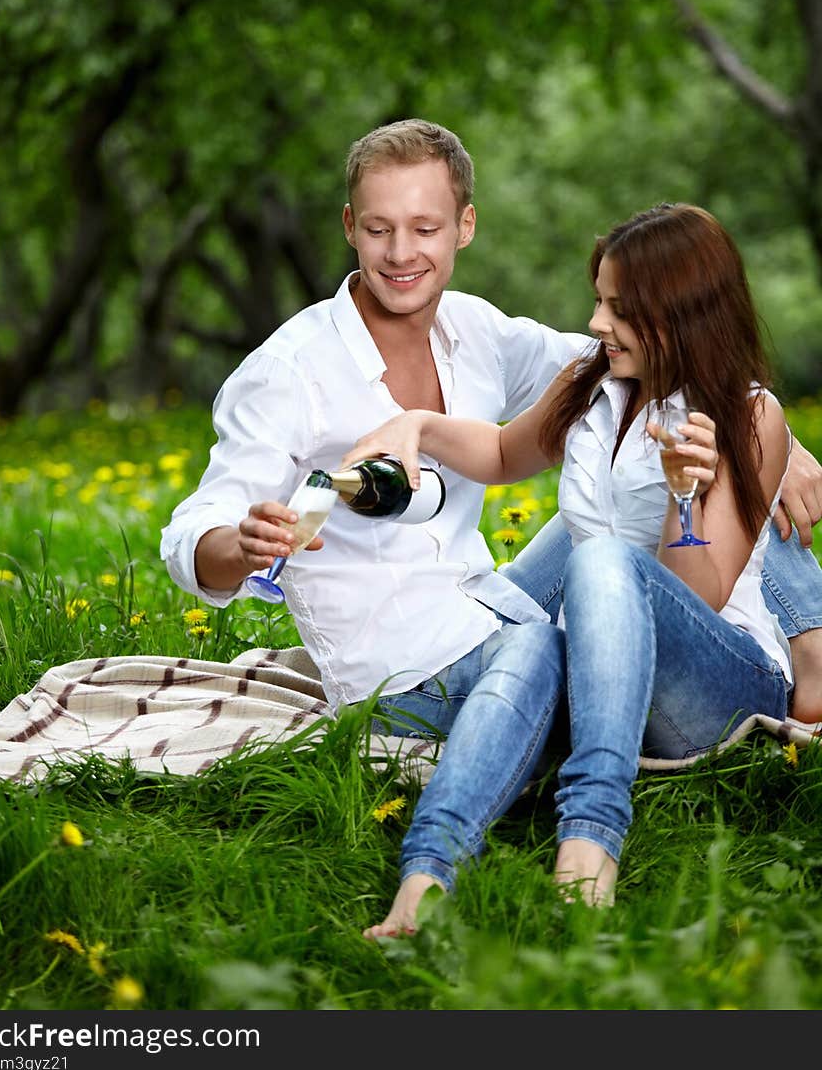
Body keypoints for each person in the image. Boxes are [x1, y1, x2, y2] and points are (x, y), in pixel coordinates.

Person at [159, 120, 822, 930]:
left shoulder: (478, 331)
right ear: (349, 227)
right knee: (579, 566)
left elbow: (668, 381)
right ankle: (448, 870)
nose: (401, 252)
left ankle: (792, 665)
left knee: (599, 550)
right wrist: (255, 534)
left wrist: (770, 445)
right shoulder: (292, 374)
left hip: (614, 640)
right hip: (427, 654)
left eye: (425, 228)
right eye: (378, 228)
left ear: (464, 227)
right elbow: (509, 449)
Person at [342, 201, 810, 924]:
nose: (597, 323)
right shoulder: (593, 383)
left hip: (717, 688)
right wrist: (418, 426)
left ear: (681, 311)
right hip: (606, 669)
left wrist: (684, 502)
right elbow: (501, 453)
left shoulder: (748, 418)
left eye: (619, 309)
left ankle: (590, 839)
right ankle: (423, 883)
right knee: (530, 638)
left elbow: (703, 596)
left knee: (600, 561)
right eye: (598, 300)